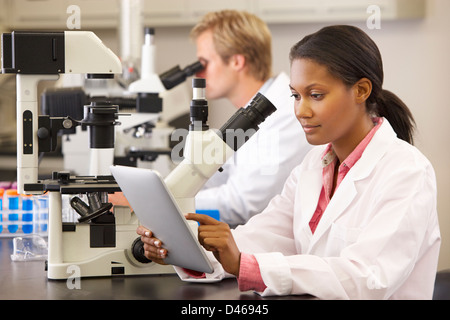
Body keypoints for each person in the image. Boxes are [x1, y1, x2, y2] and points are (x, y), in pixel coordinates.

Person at [137, 25, 441, 300]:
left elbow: (368, 279)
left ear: (361, 90)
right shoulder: (313, 167)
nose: (301, 111)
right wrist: (189, 249)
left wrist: (247, 264)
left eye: (316, 95)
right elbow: (263, 237)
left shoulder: (406, 171)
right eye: (296, 96)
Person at [191, 10, 311, 226]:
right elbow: (211, 177)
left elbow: (243, 204)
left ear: (236, 61)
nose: (198, 73)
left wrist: (158, 202)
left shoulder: (285, 112)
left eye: (203, 63)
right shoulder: (248, 111)